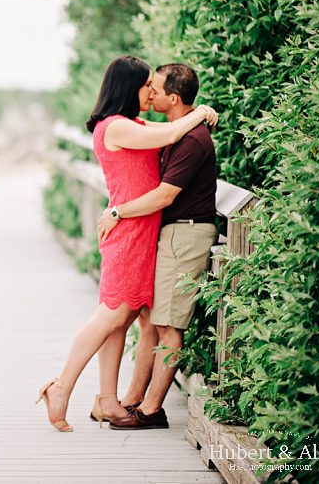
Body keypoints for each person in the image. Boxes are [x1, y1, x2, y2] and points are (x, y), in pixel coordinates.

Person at [37, 55, 217, 432]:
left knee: (123, 319)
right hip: (129, 230)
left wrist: (197, 113)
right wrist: (201, 111)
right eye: (146, 84)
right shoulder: (115, 127)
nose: (150, 91)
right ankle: (61, 386)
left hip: (143, 230)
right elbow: (170, 134)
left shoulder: (133, 124)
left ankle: (107, 399)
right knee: (111, 315)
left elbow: (172, 128)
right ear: (129, 87)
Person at [95, 63, 218, 430]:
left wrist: (117, 211)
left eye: (156, 89)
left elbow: (164, 195)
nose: (150, 93)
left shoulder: (192, 139)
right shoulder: (174, 131)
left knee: (168, 325)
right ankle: (132, 399)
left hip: (185, 234)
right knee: (151, 320)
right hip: (172, 233)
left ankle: (150, 410)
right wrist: (201, 111)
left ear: (173, 98)